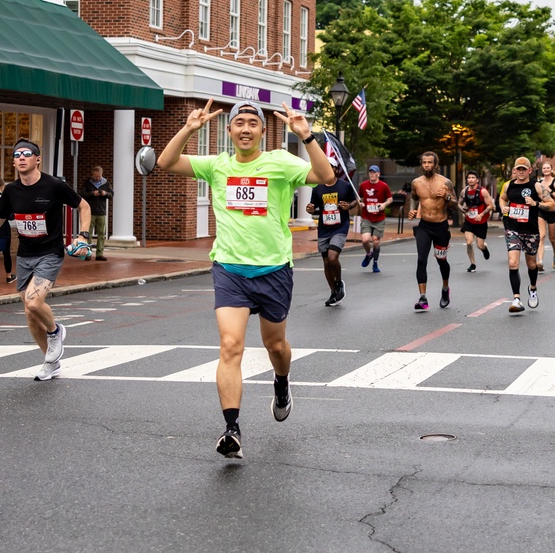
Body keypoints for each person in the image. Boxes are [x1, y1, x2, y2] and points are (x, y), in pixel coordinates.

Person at [155, 99, 332, 459]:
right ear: (230, 130)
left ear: (263, 132)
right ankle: (231, 428)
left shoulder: (280, 162)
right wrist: (190, 128)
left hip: (273, 270)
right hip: (230, 269)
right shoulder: (217, 165)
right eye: (240, 123)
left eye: (253, 122)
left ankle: (281, 382)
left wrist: (307, 135)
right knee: (230, 346)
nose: (246, 128)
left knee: (275, 347)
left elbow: (326, 177)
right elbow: (166, 162)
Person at [0, 139, 91, 382]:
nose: (21, 158)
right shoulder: (11, 191)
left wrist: (82, 236)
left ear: (38, 159)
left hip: (50, 253)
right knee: (29, 312)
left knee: (34, 302)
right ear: (14, 162)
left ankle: (56, 331)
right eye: (17, 155)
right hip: (25, 255)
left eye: (27, 154)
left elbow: (84, 206)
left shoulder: (54, 186)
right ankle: (51, 362)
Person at [499, 157, 555, 313]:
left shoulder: (536, 187)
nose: (521, 171)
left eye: (524, 169)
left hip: (530, 231)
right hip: (512, 228)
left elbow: (552, 205)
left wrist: (535, 204)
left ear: (530, 170)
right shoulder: (508, 186)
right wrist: (503, 207)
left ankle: (532, 288)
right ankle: (516, 298)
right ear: (515, 170)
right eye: (519, 169)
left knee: (531, 264)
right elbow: (502, 199)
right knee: (512, 263)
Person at [408, 151, 456, 310]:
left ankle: (445, 289)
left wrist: (447, 198)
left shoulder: (446, 183)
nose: (427, 165)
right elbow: (414, 198)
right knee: (421, 259)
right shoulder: (416, 182)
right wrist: (412, 210)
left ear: (436, 164)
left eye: (430, 162)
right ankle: (423, 298)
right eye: (424, 162)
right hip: (424, 226)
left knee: (441, 260)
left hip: (440, 226)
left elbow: (455, 204)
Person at [306, 160, 357, 306]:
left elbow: (354, 201)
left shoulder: (345, 186)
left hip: (340, 227)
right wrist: (310, 209)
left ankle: (339, 282)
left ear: (335, 169)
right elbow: (313, 206)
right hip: (324, 228)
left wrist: (348, 206)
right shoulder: (317, 188)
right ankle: (333, 291)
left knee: (332, 257)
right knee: (326, 262)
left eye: (331, 167)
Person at [358, 165, 393, 273]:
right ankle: (369, 254)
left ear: (378, 174)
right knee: (365, 240)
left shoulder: (383, 186)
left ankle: (375, 263)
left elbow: (390, 198)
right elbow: (358, 197)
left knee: (376, 241)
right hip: (367, 217)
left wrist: (384, 204)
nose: (372, 174)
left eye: (374, 173)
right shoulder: (363, 185)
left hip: (379, 218)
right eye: (370, 172)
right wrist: (360, 203)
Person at [458, 170, 494, 273]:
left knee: (479, 245)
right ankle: (472, 264)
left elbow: (490, 205)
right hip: (469, 220)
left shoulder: (482, 191)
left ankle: (484, 248)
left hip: (481, 222)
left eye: (473, 178)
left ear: (477, 180)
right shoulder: (464, 191)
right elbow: (459, 203)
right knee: (469, 242)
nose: (471, 180)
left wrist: (481, 214)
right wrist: (462, 209)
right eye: (469, 178)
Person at [81, 166, 114, 261]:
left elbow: (111, 194)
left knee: (101, 234)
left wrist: (105, 193)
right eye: (95, 177)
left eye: (99, 177)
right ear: (92, 175)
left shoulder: (106, 183)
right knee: (88, 234)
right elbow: (82, 194)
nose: (97, 179)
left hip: (101, 212)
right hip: (90, 211)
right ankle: (88, 253)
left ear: (101, 175)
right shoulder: (87, 183)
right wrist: (92, 193)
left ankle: (100, 253)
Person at [536, 163, 555, 269]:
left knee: (552, 238)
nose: (546, 169)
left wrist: (550, 191)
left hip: (552, 211)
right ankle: (540, 261)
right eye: (544, 168)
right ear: (542, 170)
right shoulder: (539, 183)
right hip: (542, 210)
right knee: (541, 236)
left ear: (551, 169)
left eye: (548, 168)